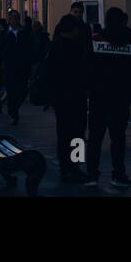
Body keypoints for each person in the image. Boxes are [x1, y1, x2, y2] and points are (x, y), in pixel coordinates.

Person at [85, 7, 131, 189]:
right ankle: (119, 174)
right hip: (120, 95)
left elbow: (89, 66)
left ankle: (92, 174)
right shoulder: (130, 37)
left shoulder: (97, 39)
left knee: (95, 138)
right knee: (118, 138)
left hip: (99, 95)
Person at [46, 15, 89, 183]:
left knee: (63, 134)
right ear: (73, 30)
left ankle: (65, 169)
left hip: (60, 99)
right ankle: (76, 167)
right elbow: (83, 73)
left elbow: (50, 73)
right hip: (75, 97)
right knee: (78, 135)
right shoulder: (76, 48)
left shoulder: (54, 47)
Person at [0, 9, 33, 124]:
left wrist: (30, 62)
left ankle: (15, 107)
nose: (15, 20)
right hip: (9, 67)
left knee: (23, 91)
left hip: (23, 67)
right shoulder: (5, 33)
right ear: (9, 19)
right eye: (13, 18)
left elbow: (29, 48)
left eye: (17, 18)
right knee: (11, 90)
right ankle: (13, 112)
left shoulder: (24, 32)